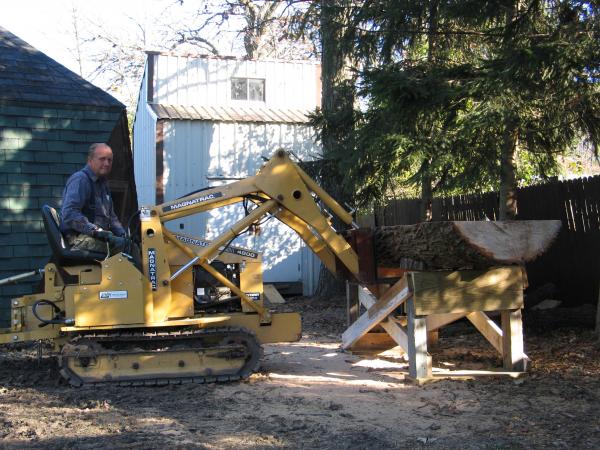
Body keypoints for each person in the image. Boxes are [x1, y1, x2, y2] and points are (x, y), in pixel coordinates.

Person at [60, 143, 128, 256]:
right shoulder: (81, 180)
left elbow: (111, 217)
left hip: (94, 238)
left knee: (130, 244)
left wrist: (124, 234)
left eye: (110, 160)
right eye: (102, 159)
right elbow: (69, 213)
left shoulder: (103, 184)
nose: (107, 163)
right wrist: (95, 230)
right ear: (90, 160)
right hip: (78, 240)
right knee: (126, 248)